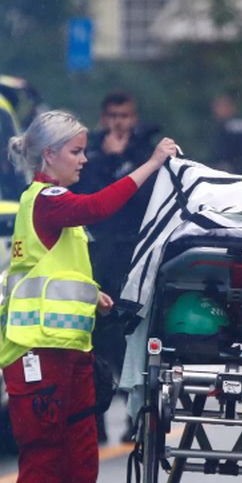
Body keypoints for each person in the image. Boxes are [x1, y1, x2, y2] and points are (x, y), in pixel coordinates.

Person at [0, 110, 180, 483]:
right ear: (49, 156)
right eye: (76, 152)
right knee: (45, 466)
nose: (84, 159)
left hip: (71, 354)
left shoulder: (57, 212)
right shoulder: (50, 200)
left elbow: (53, 275)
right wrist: (151, 165)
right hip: (40, 357)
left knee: (80, 466)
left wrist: (95, 296)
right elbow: (101, 205)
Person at [78, 91, 159, 443]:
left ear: (134, 117)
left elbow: (147, 198)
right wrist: (107, 162)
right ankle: (93, 419)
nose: (119, 123)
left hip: (136, 253)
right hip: (98, 255)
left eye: (125, 116)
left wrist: (125, 160)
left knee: (135, 337)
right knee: (94, 339)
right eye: (112, 116)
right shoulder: (88, 153)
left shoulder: (147, 152)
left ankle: (134, 417)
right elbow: (87, 200)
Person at [210, 93, 242, 175]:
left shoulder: (238, 126)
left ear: (232, 107)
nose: (217, 110)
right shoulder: (218, 126)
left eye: (222, 106)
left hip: (241, 170)